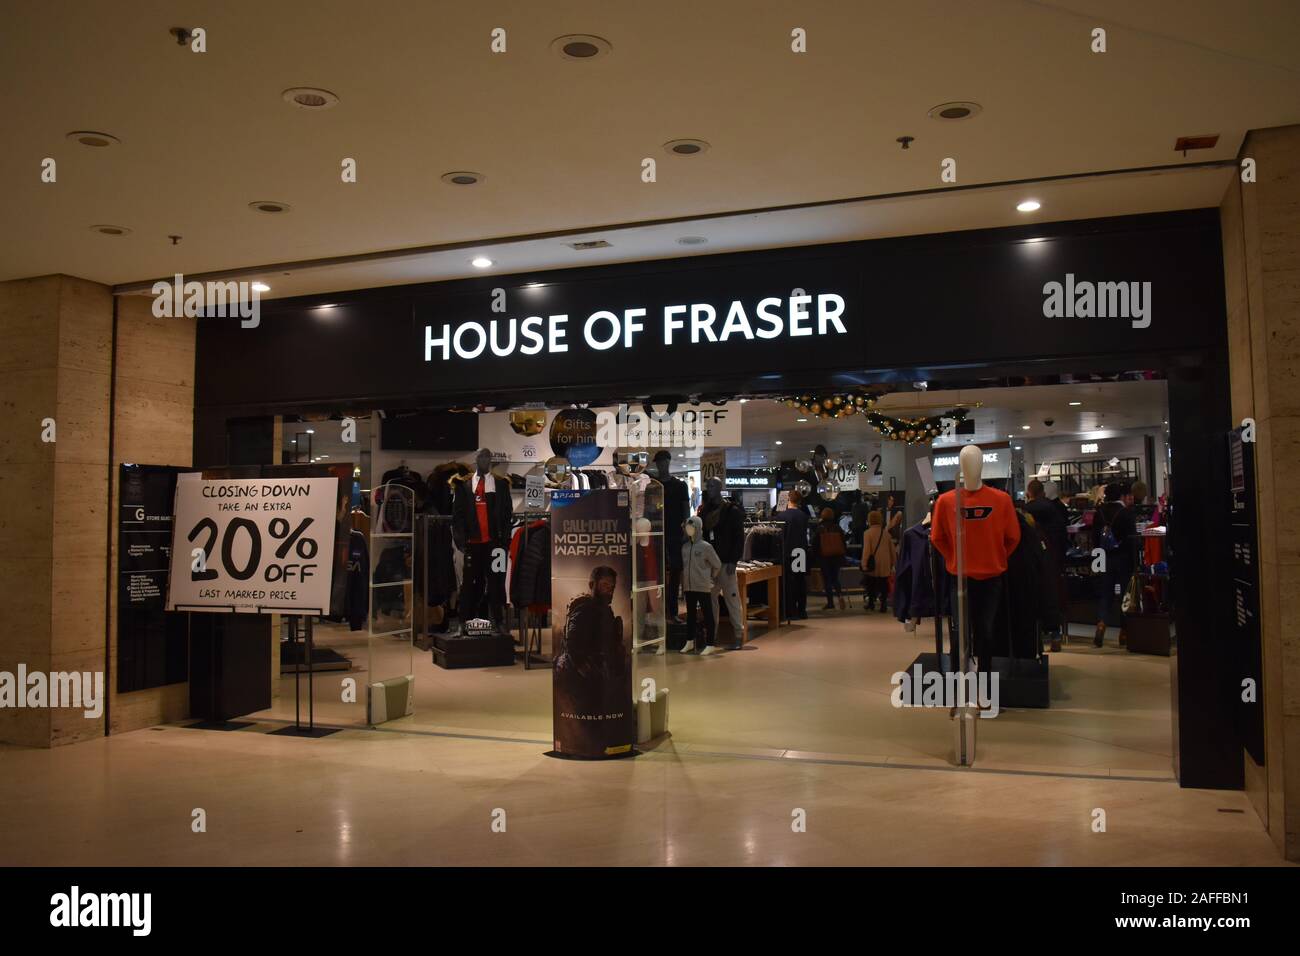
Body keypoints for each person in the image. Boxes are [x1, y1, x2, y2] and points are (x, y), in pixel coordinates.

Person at [1092, 483, 1137, 647]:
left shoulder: (1099, 513)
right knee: (1125, 595)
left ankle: (1102, 623)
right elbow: (1132, 539)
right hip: (1123, 558)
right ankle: (1124, 632)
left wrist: (1096, 560)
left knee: (1105, 594)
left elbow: (1095, 539)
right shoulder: (1126, 513)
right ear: (1121, 496)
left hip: (1104, 558)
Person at [1024, 479, 1067, 651]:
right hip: (1053, 558)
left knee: (1033, 597)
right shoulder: (1054, 509)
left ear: (1029, 493)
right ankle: (1055, 634)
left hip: (1032, 559)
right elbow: (1063, 535)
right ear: (1043, 492)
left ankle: (1036, 638)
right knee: (1051, 595)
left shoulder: (1026, 511)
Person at [679, 515, 722, 655]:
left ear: (697, 528)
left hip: (703, 586)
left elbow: (717, 564)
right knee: (690, 615)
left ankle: (710, 643)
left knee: (708, 614)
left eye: (691, 527)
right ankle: (689, 641)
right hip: (689, 586)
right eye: (687, 527)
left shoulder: (706, 547)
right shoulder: (684, 547)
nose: (688, 529)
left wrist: (710, 579)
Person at [780, 489, 810, 619]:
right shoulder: (803, 516)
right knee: (800, 581)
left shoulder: (782, 516)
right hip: (801, 552)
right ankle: (802, 610)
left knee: (789, 582)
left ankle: (790, 610)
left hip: (787, 552)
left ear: (788, 500)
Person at [860, 510, 897, 612]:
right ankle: (883, 605)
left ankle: (871, 603)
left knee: (871, 584)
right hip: (885, 562)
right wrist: (894, 563)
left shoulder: (867, 533)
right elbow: (892, 550)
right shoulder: (885, 533)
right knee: (884, 584)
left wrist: (864, 563)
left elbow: (867, 550)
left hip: (873, 563)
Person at [812, 507, 847, 610]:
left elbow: (815, 544)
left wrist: (816, 556)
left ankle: (830, 602)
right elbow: (843, 542)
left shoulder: (820, 528)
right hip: (836, 557)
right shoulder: (837, 527)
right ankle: (840, 595)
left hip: (824, 557)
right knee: (835, 578)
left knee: (827, 580)